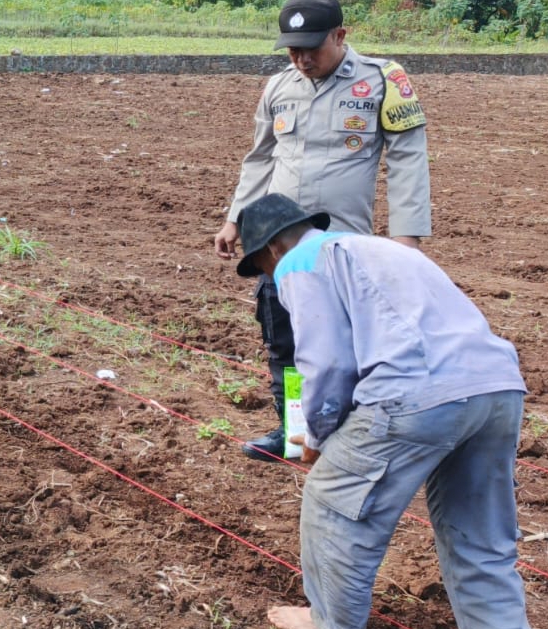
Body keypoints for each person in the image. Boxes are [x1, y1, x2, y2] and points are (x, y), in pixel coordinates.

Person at [234, 193, 530, 629]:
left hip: (414, 392)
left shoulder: (299, 262)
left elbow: (327, 363)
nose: (270, 277)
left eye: (263, 268)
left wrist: (316, 437)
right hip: (497, 388)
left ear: (273, 248)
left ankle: (327, 621)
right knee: (478, 537)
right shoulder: (384, 249)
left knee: (332, 505)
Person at [212, 0, 432, 462]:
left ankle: (355, 434)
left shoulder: (383, 81)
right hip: (278, 245)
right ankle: (293, 429)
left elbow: (408, 159)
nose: (302, 59)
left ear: (340, 36)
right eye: (293, 51)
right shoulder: (279, 86)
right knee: (284, 339)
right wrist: (236, 218)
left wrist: (407, 238)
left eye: (311, 48)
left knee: (348, 343)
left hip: (345, 243)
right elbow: (260, 158)